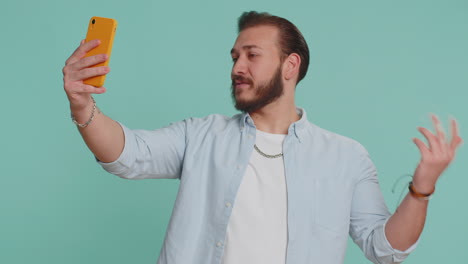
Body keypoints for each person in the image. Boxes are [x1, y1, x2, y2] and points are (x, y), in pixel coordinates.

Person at [62, 11, 462, 264]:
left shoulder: (346, 157)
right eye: (235, 56)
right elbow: (127, 154)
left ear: (291, 66)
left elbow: (385, 249)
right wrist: (83, 106)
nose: (238, 66)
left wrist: (421, 188)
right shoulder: (201, 136)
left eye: (252, 55)